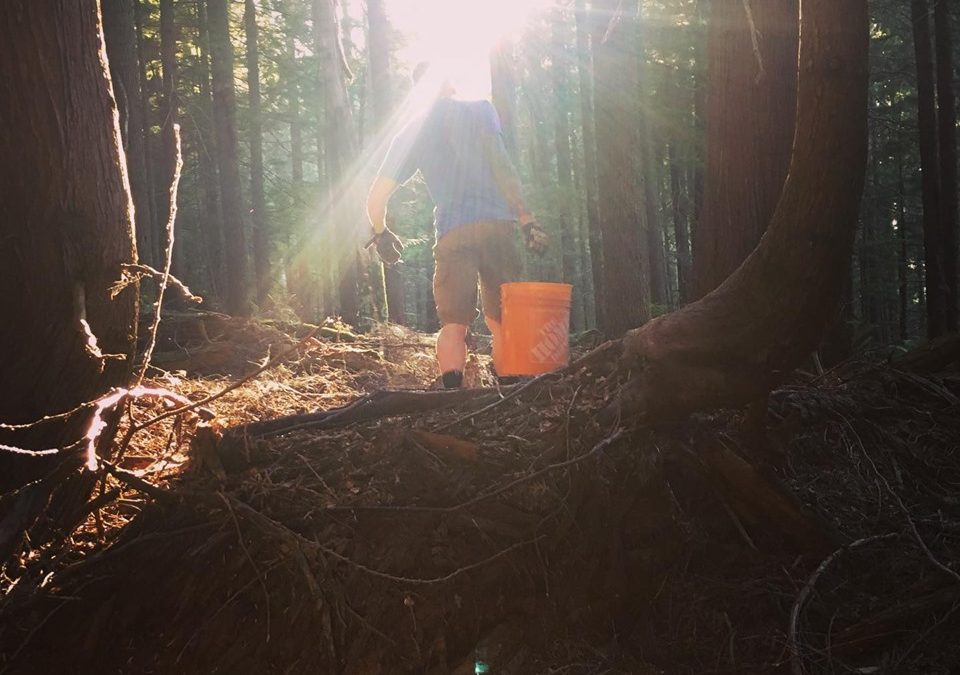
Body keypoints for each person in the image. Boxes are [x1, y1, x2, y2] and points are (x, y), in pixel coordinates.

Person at [366, 68, 547, 389]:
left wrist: (381, 233)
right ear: (451, 83)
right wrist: (527, 220)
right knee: (502, 318)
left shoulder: (411, 132)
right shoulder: (481, 110)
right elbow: (503, 167)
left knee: (453, 325)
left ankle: (452, 397)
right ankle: (511, 390)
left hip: (453, 232)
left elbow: (375, 197)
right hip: (497, 227)